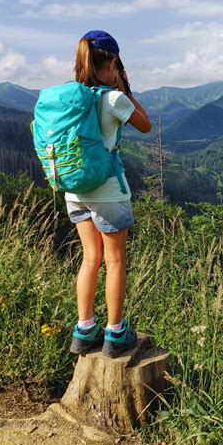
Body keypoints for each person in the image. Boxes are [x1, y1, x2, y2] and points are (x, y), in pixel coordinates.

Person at [66, 30, 151, 358]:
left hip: (75, 191)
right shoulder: (113, 99)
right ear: (113, 62)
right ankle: (116, 334)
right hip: (107, 191)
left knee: (91, 257)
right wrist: (125, 88)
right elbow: (145, 126)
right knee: (114, 260)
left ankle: (84, 329)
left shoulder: (73, 98)